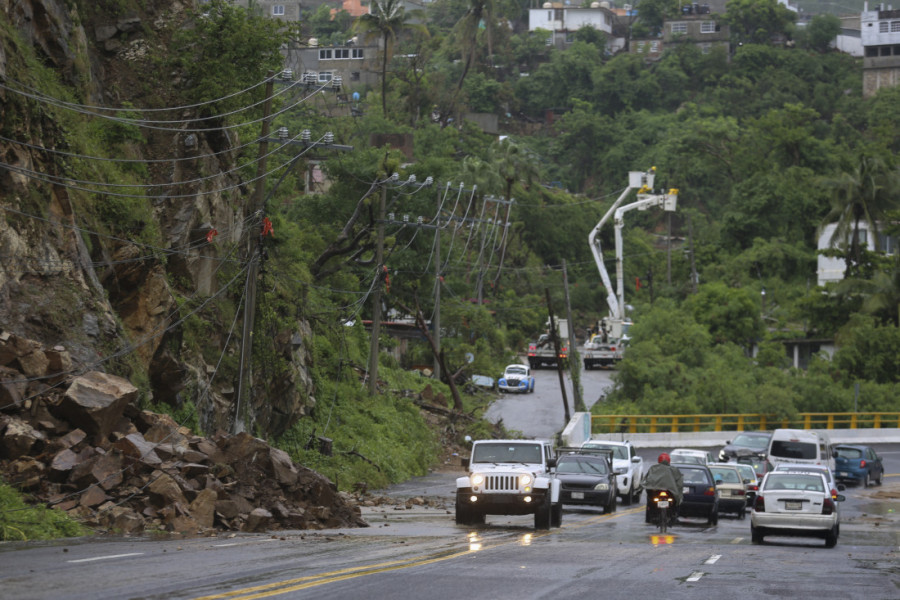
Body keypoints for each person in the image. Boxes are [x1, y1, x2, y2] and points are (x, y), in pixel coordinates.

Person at [642, 453, 684, 523]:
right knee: (677, 502)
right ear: (669, 461)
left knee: (650, 501)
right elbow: (679, 482)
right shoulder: (674, 469)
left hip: (657, 492)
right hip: (669, 492)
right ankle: (675, 516)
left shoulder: (653, 468)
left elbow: (647, 480)